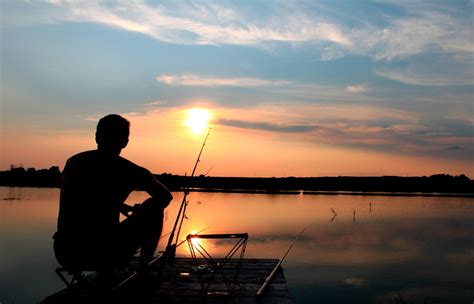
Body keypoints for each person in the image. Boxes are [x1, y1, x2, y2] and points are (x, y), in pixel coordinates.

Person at [53, 114, 173, 287]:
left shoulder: (74, 162)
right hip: (108, 252)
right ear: (125, 141)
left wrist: (117, 204)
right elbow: (165, 197)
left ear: (96, 136)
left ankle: (105, 277)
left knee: (99, 231)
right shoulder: (132, 170)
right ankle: (142, 271)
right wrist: (140, 212)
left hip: (66, 252)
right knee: (154, 208)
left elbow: (89, 196)